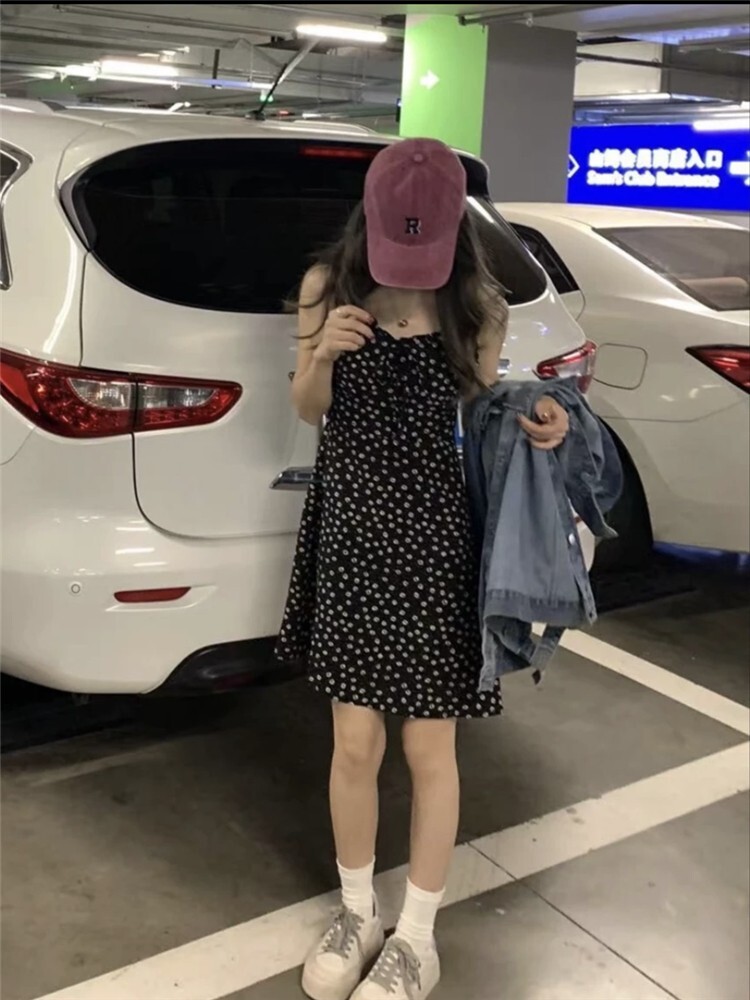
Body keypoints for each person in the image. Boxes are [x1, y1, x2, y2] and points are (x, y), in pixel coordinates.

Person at [275, 138, 570, 1000]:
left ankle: (416, 937)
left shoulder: (477, 306)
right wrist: (322, 355)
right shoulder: (325, 288)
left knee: (429, 745)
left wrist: (540, 417)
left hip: (439, 540)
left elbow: (483, 414)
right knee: (354, 742)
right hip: (352, 535)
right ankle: (357, 912)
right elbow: (308, 409)